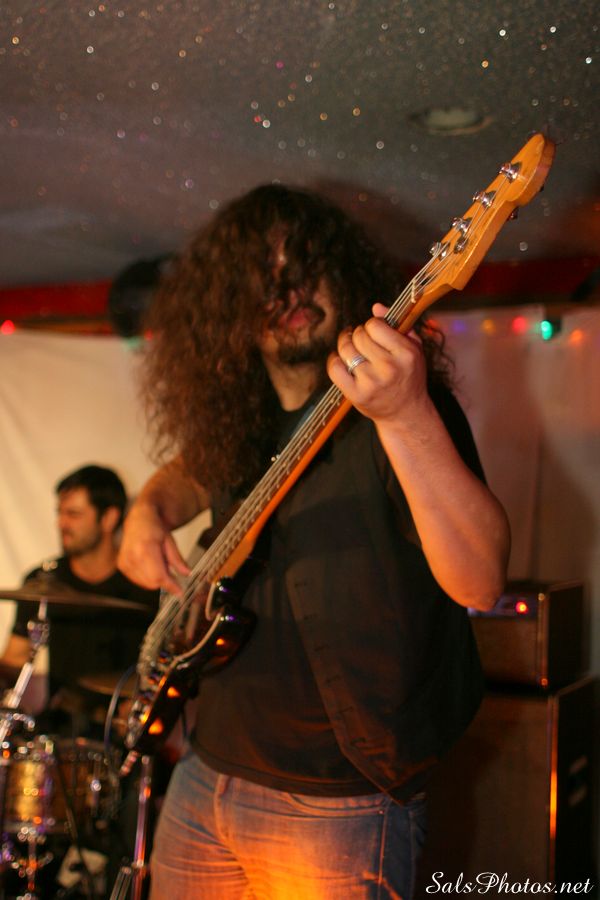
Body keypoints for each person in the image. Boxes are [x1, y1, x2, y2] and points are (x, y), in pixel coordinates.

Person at [117, 184, 511, 900]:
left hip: (338, 802)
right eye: (262, 279)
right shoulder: (239, 418)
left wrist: (405, 413)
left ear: (344, 274)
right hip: (205, 772)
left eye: (304, 264)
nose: (288, 290)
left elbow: (480, 580)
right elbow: (187, 474)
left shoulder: (404, 407)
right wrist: (148, 511)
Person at [1, 463, 159, 732]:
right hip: (58, 729)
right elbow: (14, 659)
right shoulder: (44, 581)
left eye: (73, 514)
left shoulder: (147, 585)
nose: (61, 523)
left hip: (120, 733)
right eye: (60, 513)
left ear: (109, 518)